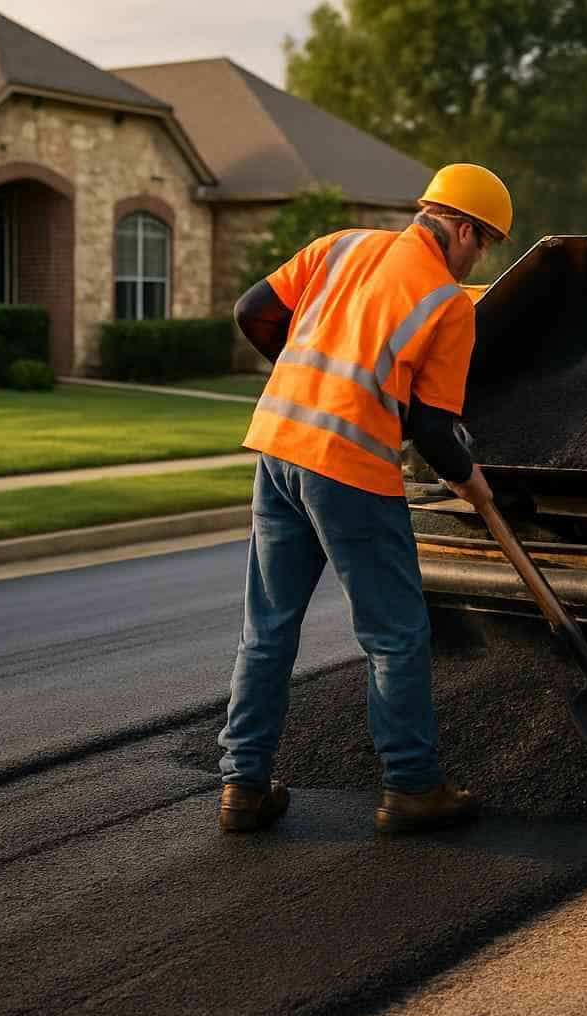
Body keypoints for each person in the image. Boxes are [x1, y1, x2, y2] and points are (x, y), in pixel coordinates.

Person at [216, 164, 513, 836]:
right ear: (463, 229)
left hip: (279, 447)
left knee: (266, 630)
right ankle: (411, 787)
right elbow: (433, 427)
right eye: (485, 243)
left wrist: (304, 376)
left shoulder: (339, 245)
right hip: (348, 468)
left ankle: (243, 786)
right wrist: (471, 482)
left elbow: (250, 310)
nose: (479, 257)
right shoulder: (446, 302)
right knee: (396, 633)